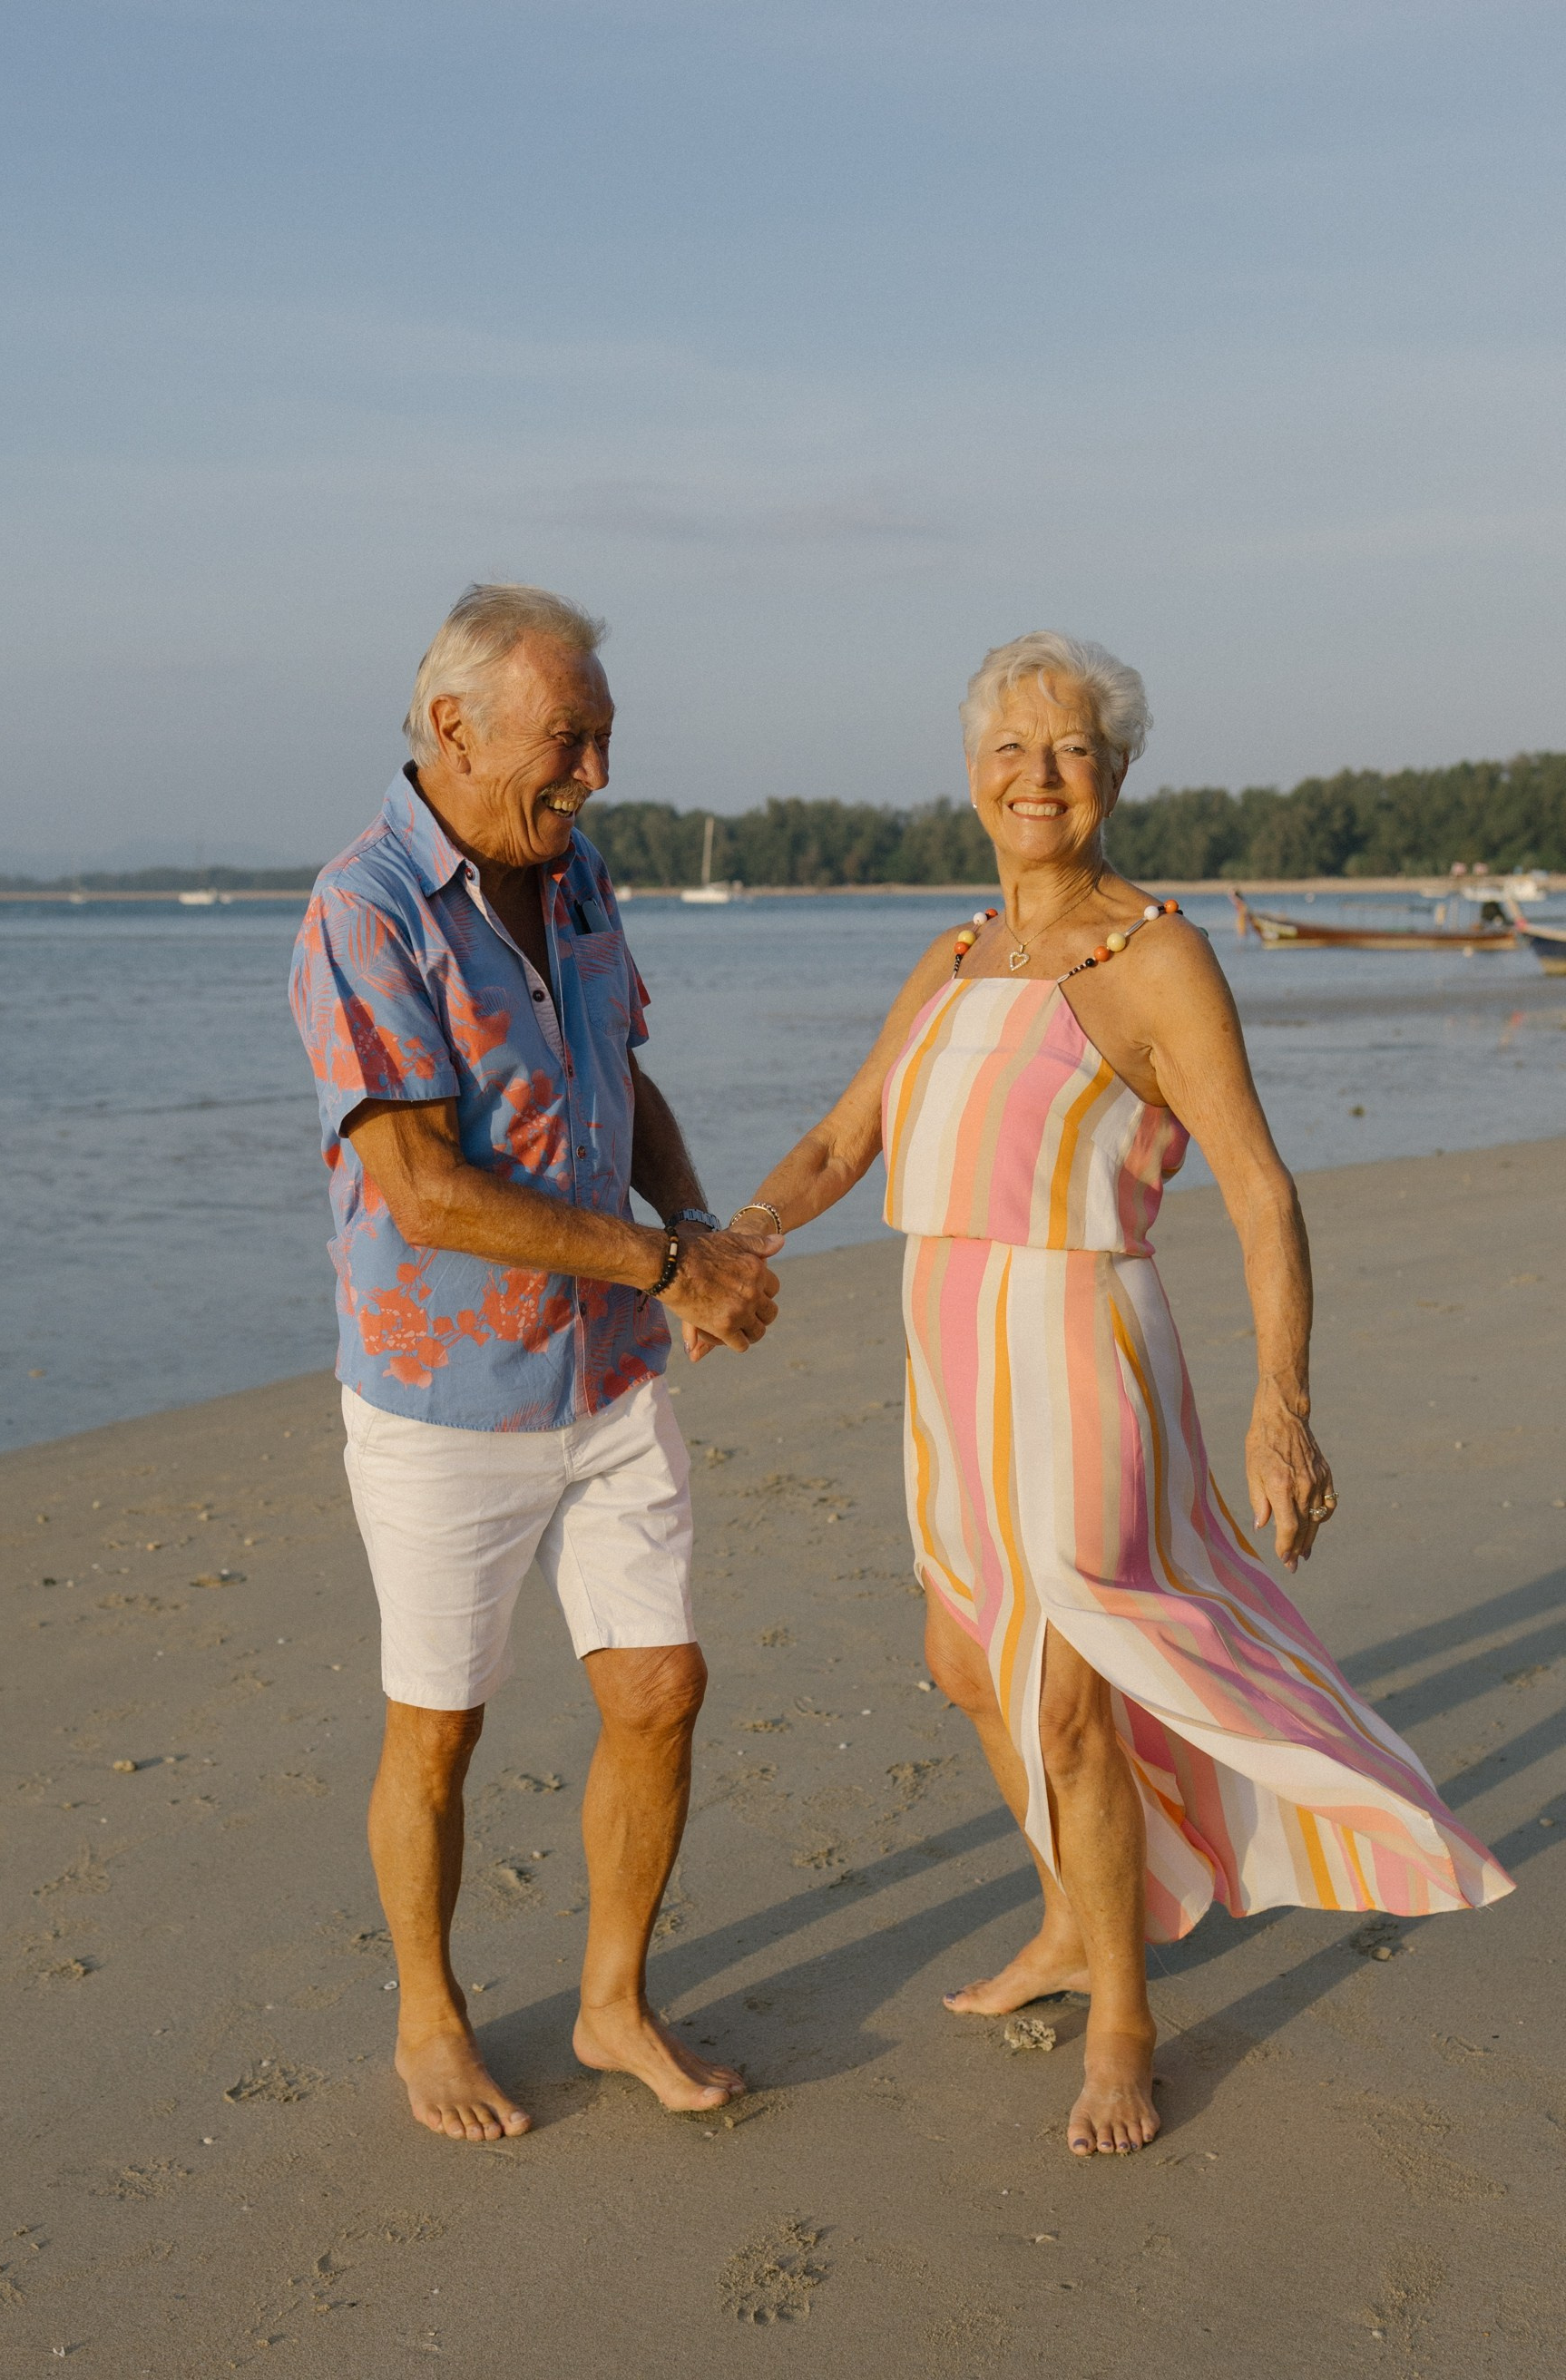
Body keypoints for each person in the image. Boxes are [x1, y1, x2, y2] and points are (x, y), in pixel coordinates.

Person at [724, 630, 1512, 2157]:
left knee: (1070, 1691)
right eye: (1012, 750)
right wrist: (737, 1240)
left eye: (1071, 748)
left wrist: (1284, 1403)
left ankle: (1125, 2018)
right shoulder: (953, 960)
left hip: (1080, 1350)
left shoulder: (1153, 955)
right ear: (972, 775)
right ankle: (1078, 1917)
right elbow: (838, 1146)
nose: (1039, 776)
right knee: (969, 1665)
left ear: (1119, 774)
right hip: (944, 1363)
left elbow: (1260, 1189)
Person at [290, 582, 777, 2144]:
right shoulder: (363, 909)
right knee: (440, 1722)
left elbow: (618, 1076)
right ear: (454, 724)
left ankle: (611, 1998)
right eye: (570, 741)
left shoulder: (572, 878)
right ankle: (430, 2019)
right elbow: (424, 1187)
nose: (595, 775)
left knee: (662, 1686)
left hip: (613, 1372)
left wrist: (694, 1224)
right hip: (448, 1394)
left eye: (604, 742)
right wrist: (664, 1259)